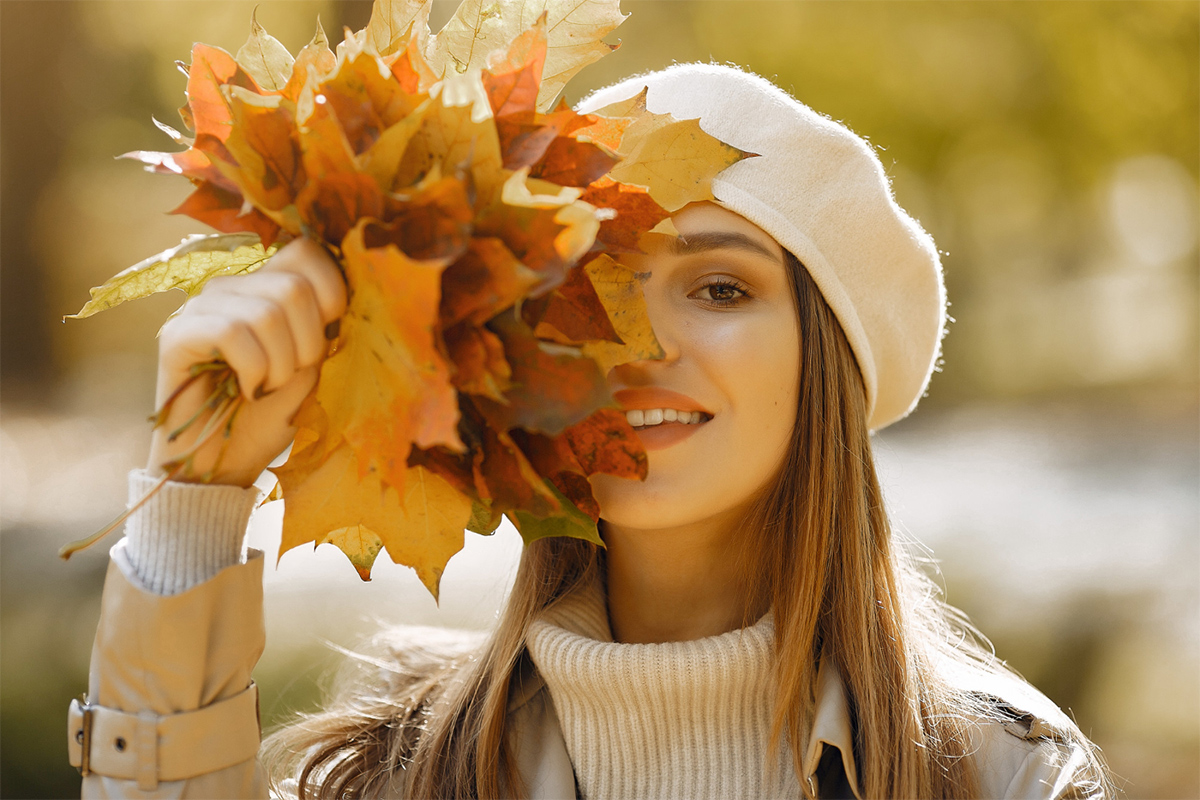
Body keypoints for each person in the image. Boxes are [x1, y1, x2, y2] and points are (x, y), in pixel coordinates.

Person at [67, 63, 1112, 799]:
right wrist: (191, 505)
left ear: (826, 362)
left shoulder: (1003, 776)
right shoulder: (391, 774)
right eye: (586, 284)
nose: (633, 340)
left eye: (718, 286)